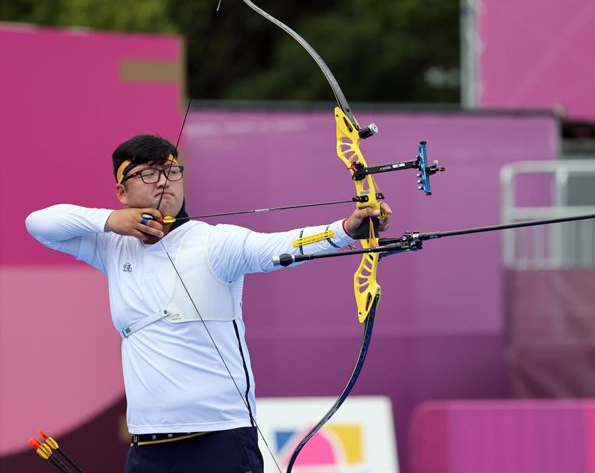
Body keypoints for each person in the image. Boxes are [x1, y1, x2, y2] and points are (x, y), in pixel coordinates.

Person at [25, 134, 392, 473]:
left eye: (171, 171)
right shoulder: (110, 246)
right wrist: (110, 220)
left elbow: (280, 246)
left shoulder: (214, 243)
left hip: (219, 439)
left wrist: (346, 229)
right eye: (148, 174)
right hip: (148, 446)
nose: (164, 181)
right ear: (122, 191)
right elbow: (38, 223)